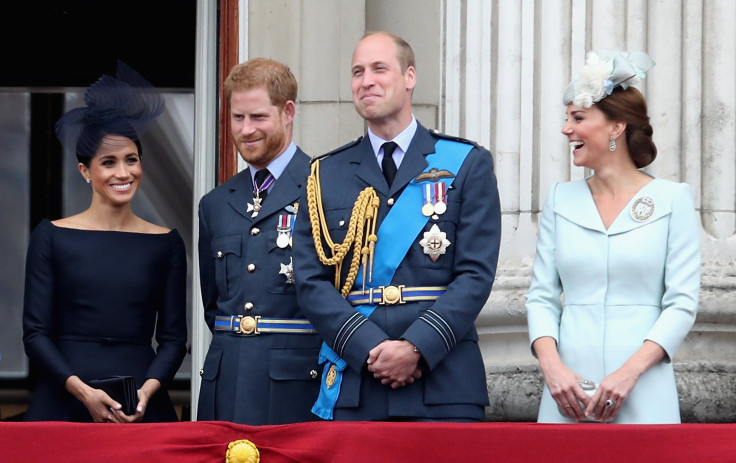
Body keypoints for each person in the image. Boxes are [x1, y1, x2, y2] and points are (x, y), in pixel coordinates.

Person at [292, 31, 501, 422]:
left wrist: (417, 346)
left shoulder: (467, 163)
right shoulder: (324, 173)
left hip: (443, 382)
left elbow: (475, 275)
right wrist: (368, 347)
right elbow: (310, 281)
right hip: (358, 382)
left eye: (378, 69)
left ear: (409, 77)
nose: (365, 80)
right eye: (357, 72)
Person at [526, 50, 701, 424]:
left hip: (643, 389)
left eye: (578, 118)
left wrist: (629, 373)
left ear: (615, 127)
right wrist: (552, 368)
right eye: (566, 118)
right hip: (566, 394)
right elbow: (541, 297)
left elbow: (682, 303)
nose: (566, 129)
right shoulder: (560, 199)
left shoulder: (672, 200)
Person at [23, 61, 187, 423]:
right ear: (85, 171)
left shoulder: (167, 243)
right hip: (63, 401)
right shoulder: (51, 236)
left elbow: (174, 339)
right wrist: (81, 391)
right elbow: (35, 334)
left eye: (131, 160)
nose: (123, 172)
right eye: (108, 162)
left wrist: (149, 389)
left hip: (141, 405)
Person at [197, 58, 322, 425]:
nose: (246, 130)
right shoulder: (215, 203)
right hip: (227, 382)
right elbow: (213, 305)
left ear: (288, 112)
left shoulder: (325, 187)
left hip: (297, 386)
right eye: (238, 118)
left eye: (258, 117)